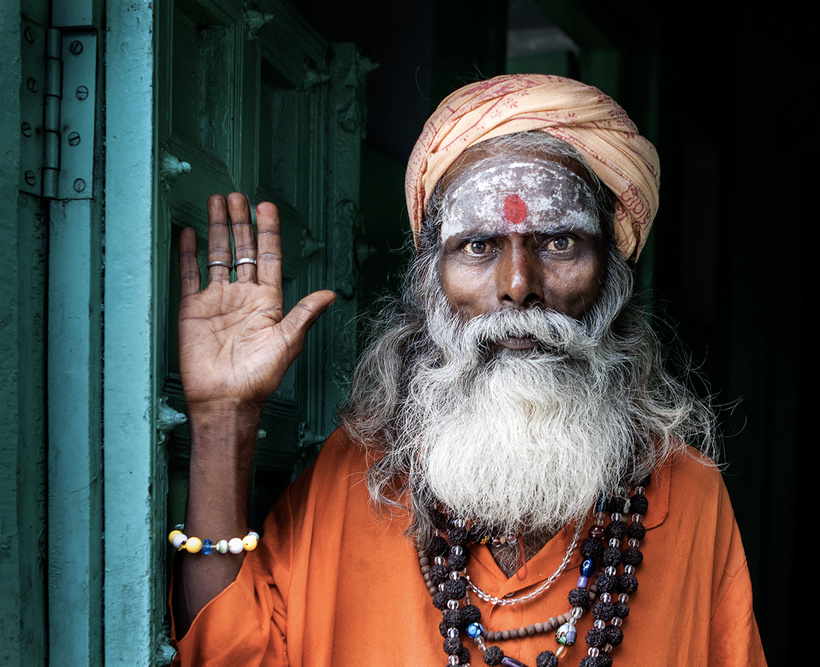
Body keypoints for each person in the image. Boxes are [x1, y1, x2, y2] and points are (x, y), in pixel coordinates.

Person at [170, 74, 766, 666]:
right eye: (478, 246)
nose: (517, 287)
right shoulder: (360, 475)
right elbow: (226, 654)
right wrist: (223, 420)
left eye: (559, 242)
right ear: (432, 278)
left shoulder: (685, 495)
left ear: (612, 273)